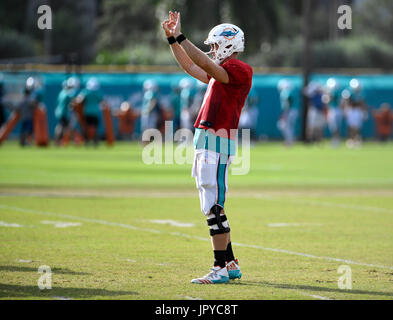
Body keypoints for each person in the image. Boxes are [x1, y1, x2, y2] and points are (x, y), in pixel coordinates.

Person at [162, 11, 253, 284]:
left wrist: (181, 37)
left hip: (217, 139)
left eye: (214, 45)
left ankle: (220, 267)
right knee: (212, 203)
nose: (212, 51)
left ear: (229, 43)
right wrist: (172, 42)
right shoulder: (222, 72)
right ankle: (231, 262)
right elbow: (192, 67)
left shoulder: (239, 69)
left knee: (213, 205)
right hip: (208, 140)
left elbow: (206, 64)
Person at [75, 77, 103, 146]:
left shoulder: (86, 92)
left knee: (87, 127)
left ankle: (87, 141)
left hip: (87, 112)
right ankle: (95, 141)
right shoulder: (97, 93)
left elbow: (79, 100)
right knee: (95, 128)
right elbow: (102, 101)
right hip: (95, 112)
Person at [342, 79, 368, 148]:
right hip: (351, 110)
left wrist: (364, 111)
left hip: (358, 110)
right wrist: (345, 111)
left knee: (357, 127)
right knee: (351, 127)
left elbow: (363, 103)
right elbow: (346, 103)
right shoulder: (348, 93)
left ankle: (357, 139)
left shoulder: (361, 93)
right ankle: (350, 140)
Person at [17, 77, 38, 146]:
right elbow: (33, 105)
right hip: (28, 117)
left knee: (24, 130)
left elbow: (18, 108)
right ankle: (27, 142)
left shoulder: (23, 100)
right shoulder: (29, 99)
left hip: (24, 117)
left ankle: (23, 142)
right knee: (29, 130)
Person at [277, 79, 298, 146]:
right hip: (293, 111)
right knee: (288, 127)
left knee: (285, 126)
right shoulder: (291, 91)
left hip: (289, 111)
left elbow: (287, 102)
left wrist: (285, 112)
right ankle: (289, 141)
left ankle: (289, 142)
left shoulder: (285, 92)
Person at [325, 78, 343, 146]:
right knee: (335, 127)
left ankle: (336, 141)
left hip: (334, 110)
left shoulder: (333, 92)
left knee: (334, 127)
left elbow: (328, 100)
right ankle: (336, 140)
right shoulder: (338, 92)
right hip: (337, 110)